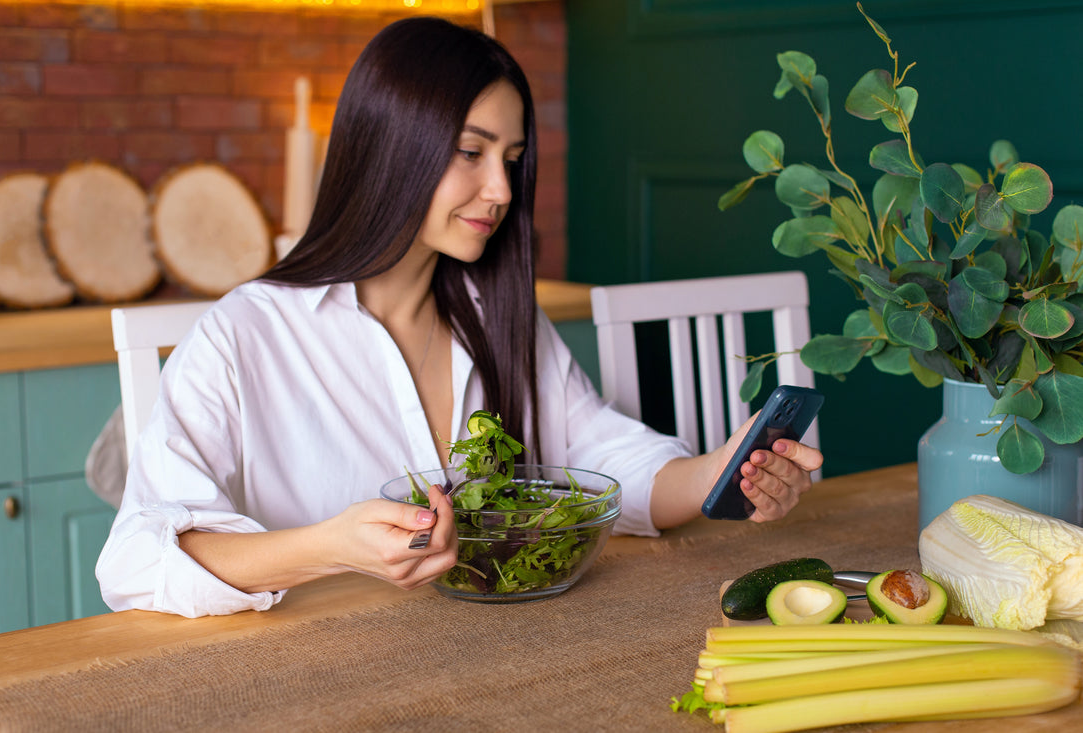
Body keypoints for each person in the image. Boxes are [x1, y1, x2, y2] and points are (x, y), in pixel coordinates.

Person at [95, 17, 823, 618]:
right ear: (391, 147)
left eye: (511, 157)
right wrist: (331, 545)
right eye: (470, 153)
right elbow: (134, 560)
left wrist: (723, 469)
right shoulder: (246, 334)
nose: (501, 189)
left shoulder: (496, 311)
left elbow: (604, 453)